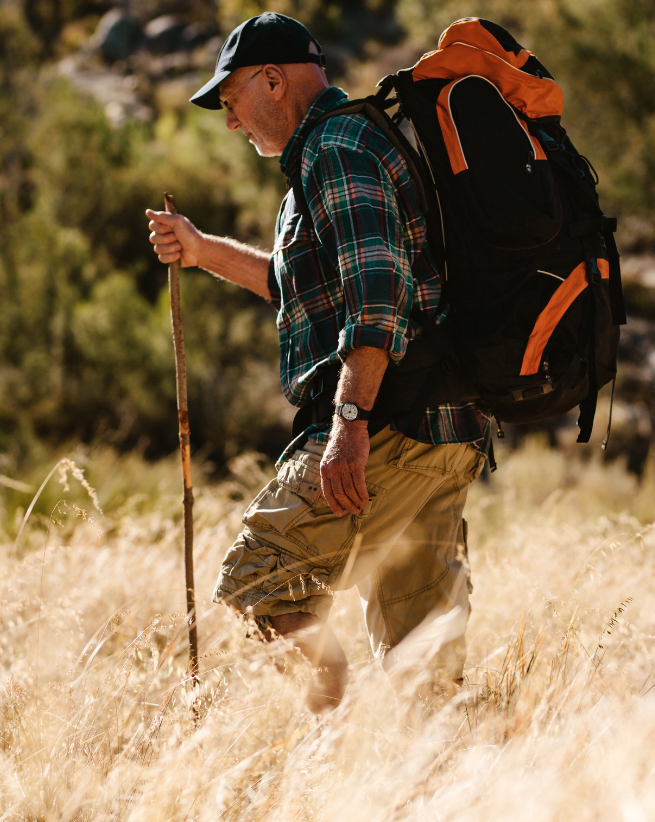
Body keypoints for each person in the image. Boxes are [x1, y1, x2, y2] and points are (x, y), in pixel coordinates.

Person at [146, 13, 490, 713]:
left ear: (273, 80)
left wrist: (350, 422)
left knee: (260, 582)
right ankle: (448, 786)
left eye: (231, 100)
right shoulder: (336, 152)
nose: (231, 123)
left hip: (388, 423)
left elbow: (376, 290)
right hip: (443, 429)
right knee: (424, 655)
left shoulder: (336, 147)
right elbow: (294, 282)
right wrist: (201, 248)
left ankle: (337, 745)